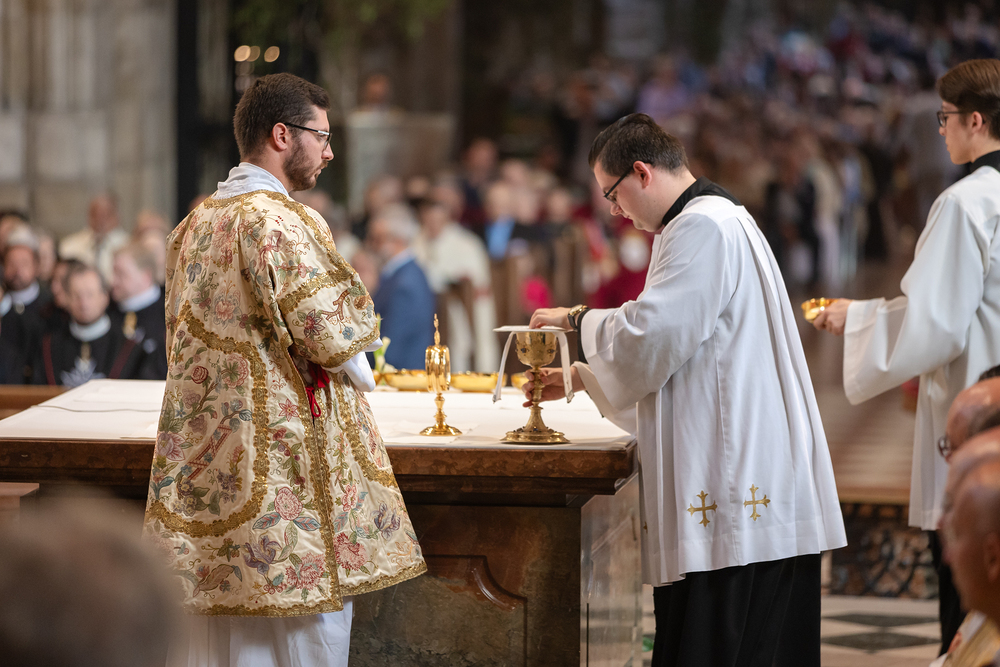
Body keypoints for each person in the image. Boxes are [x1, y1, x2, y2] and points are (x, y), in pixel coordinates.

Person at [526, 113, 846, 667]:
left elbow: (655, 333)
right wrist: (579, 378)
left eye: (612, 194)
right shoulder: (716, 218)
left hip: (732, 484)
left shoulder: (702, 227)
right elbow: (686, 349)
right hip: (746, 467)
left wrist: (575, 320)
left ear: (641, 173)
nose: (614, 210)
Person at [142, 73, 425, 667]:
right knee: (298, 625)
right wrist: (361, 366)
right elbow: (336, 338)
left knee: (220, 626)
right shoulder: (282, 220)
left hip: (207, 457)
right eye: (322, 136)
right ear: (281, 135)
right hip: (282, 461)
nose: (329, 151)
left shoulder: (192, 224)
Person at [813, 58, 1000, 652]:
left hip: (977, 415)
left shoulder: (966, 203)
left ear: (975, 120)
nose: (940, 131)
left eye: (944, 118)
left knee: (971, 587)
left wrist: (859, 318)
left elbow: (937, 324)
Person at [413, 191, 498, 372]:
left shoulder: (466, 243)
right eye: (429, 220)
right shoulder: (416, 241)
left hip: (464, 304)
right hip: (428, 305)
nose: (433, 225)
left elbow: (478, 281)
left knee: (470, 335)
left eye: (438, 220)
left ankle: (475, 374)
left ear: (447, 219)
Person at [33, 263, 142, 387]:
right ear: (66, 298)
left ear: (105, 297)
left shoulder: (129, 347)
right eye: (76, 295)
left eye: (90, 295)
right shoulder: (49, 345)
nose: (83, 303)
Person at [367, 203, 435, 370]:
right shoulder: (400, 275)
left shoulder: (405, 283)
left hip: (402, 374)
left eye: (378, 238)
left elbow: (390, 348)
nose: (372, 245)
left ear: (398, 239)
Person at [1, 225, 52, 383]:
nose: (17, 271)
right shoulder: (3, 304)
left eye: (24, 264)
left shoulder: (49, 305)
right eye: (12, 263)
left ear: (36, 266)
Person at [109, 242, 167, 379]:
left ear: (145, 276)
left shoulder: (168, 314)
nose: (113, 281)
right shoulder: (108, 310)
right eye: (113, 273)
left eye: (121, 274)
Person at [59, 194, 129, 283]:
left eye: (106, 215)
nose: (100, 220)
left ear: (117, 216)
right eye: (95, 214)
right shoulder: (69, 246)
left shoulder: (129, 245)